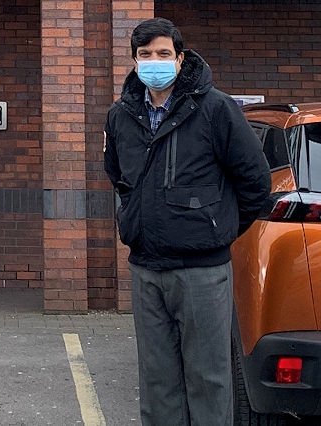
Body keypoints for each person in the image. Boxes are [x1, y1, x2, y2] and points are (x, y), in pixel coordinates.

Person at [103, 18, 271, 425]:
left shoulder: (215, 109)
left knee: (208, 380)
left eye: (163, 54)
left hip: (202, 272)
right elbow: (118, 178)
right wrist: (133, 220)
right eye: (145, 55)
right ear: (134, 60)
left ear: (180, 59)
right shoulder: (121, 115)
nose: (154, 62)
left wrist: (218, 227)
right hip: (146, 269)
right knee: (157, 381)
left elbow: (256, 183)